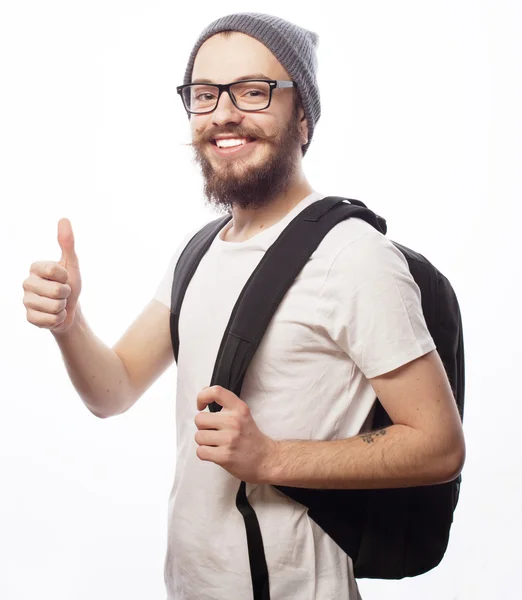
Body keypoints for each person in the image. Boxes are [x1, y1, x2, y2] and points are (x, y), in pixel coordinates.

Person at [22, 12, 465, 600]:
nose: (224, 114)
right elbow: (115, 391)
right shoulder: (201, 249)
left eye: (253, 92)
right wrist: (69, 324)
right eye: (205, 96)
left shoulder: (353, 256)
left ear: (303, 116)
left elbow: (439, 444)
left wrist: (271, 457)